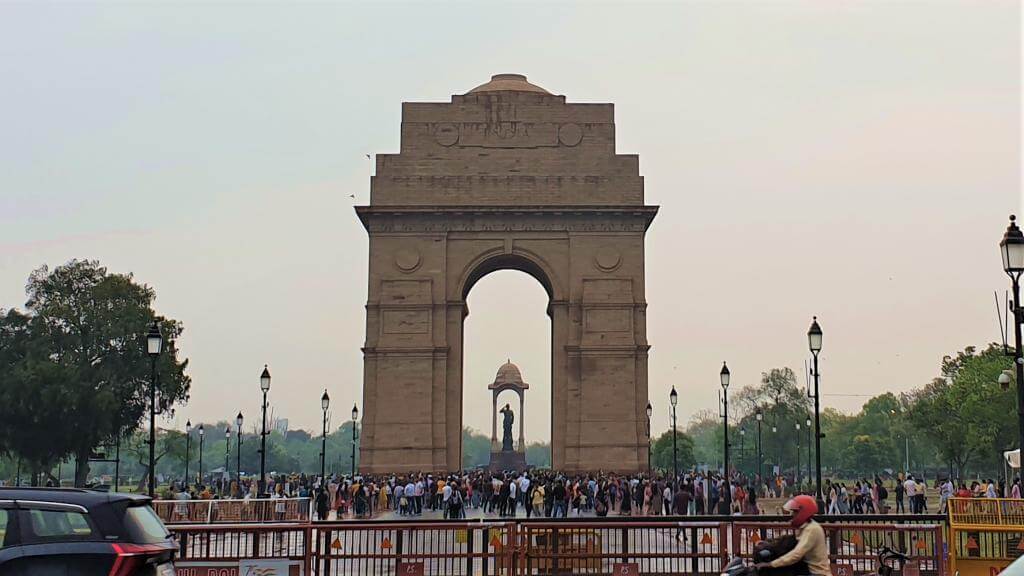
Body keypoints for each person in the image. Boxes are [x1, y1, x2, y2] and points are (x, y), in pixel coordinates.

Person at [755, 495, 830, 576]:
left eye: (795, 512)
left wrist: (771, 564)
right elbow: (789, 542)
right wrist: (770, 543)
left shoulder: (812, 529)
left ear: (804, 512)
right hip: (807, 570)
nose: (793, 515)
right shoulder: (804, 528)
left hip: (816, 573)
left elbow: (796, 554)